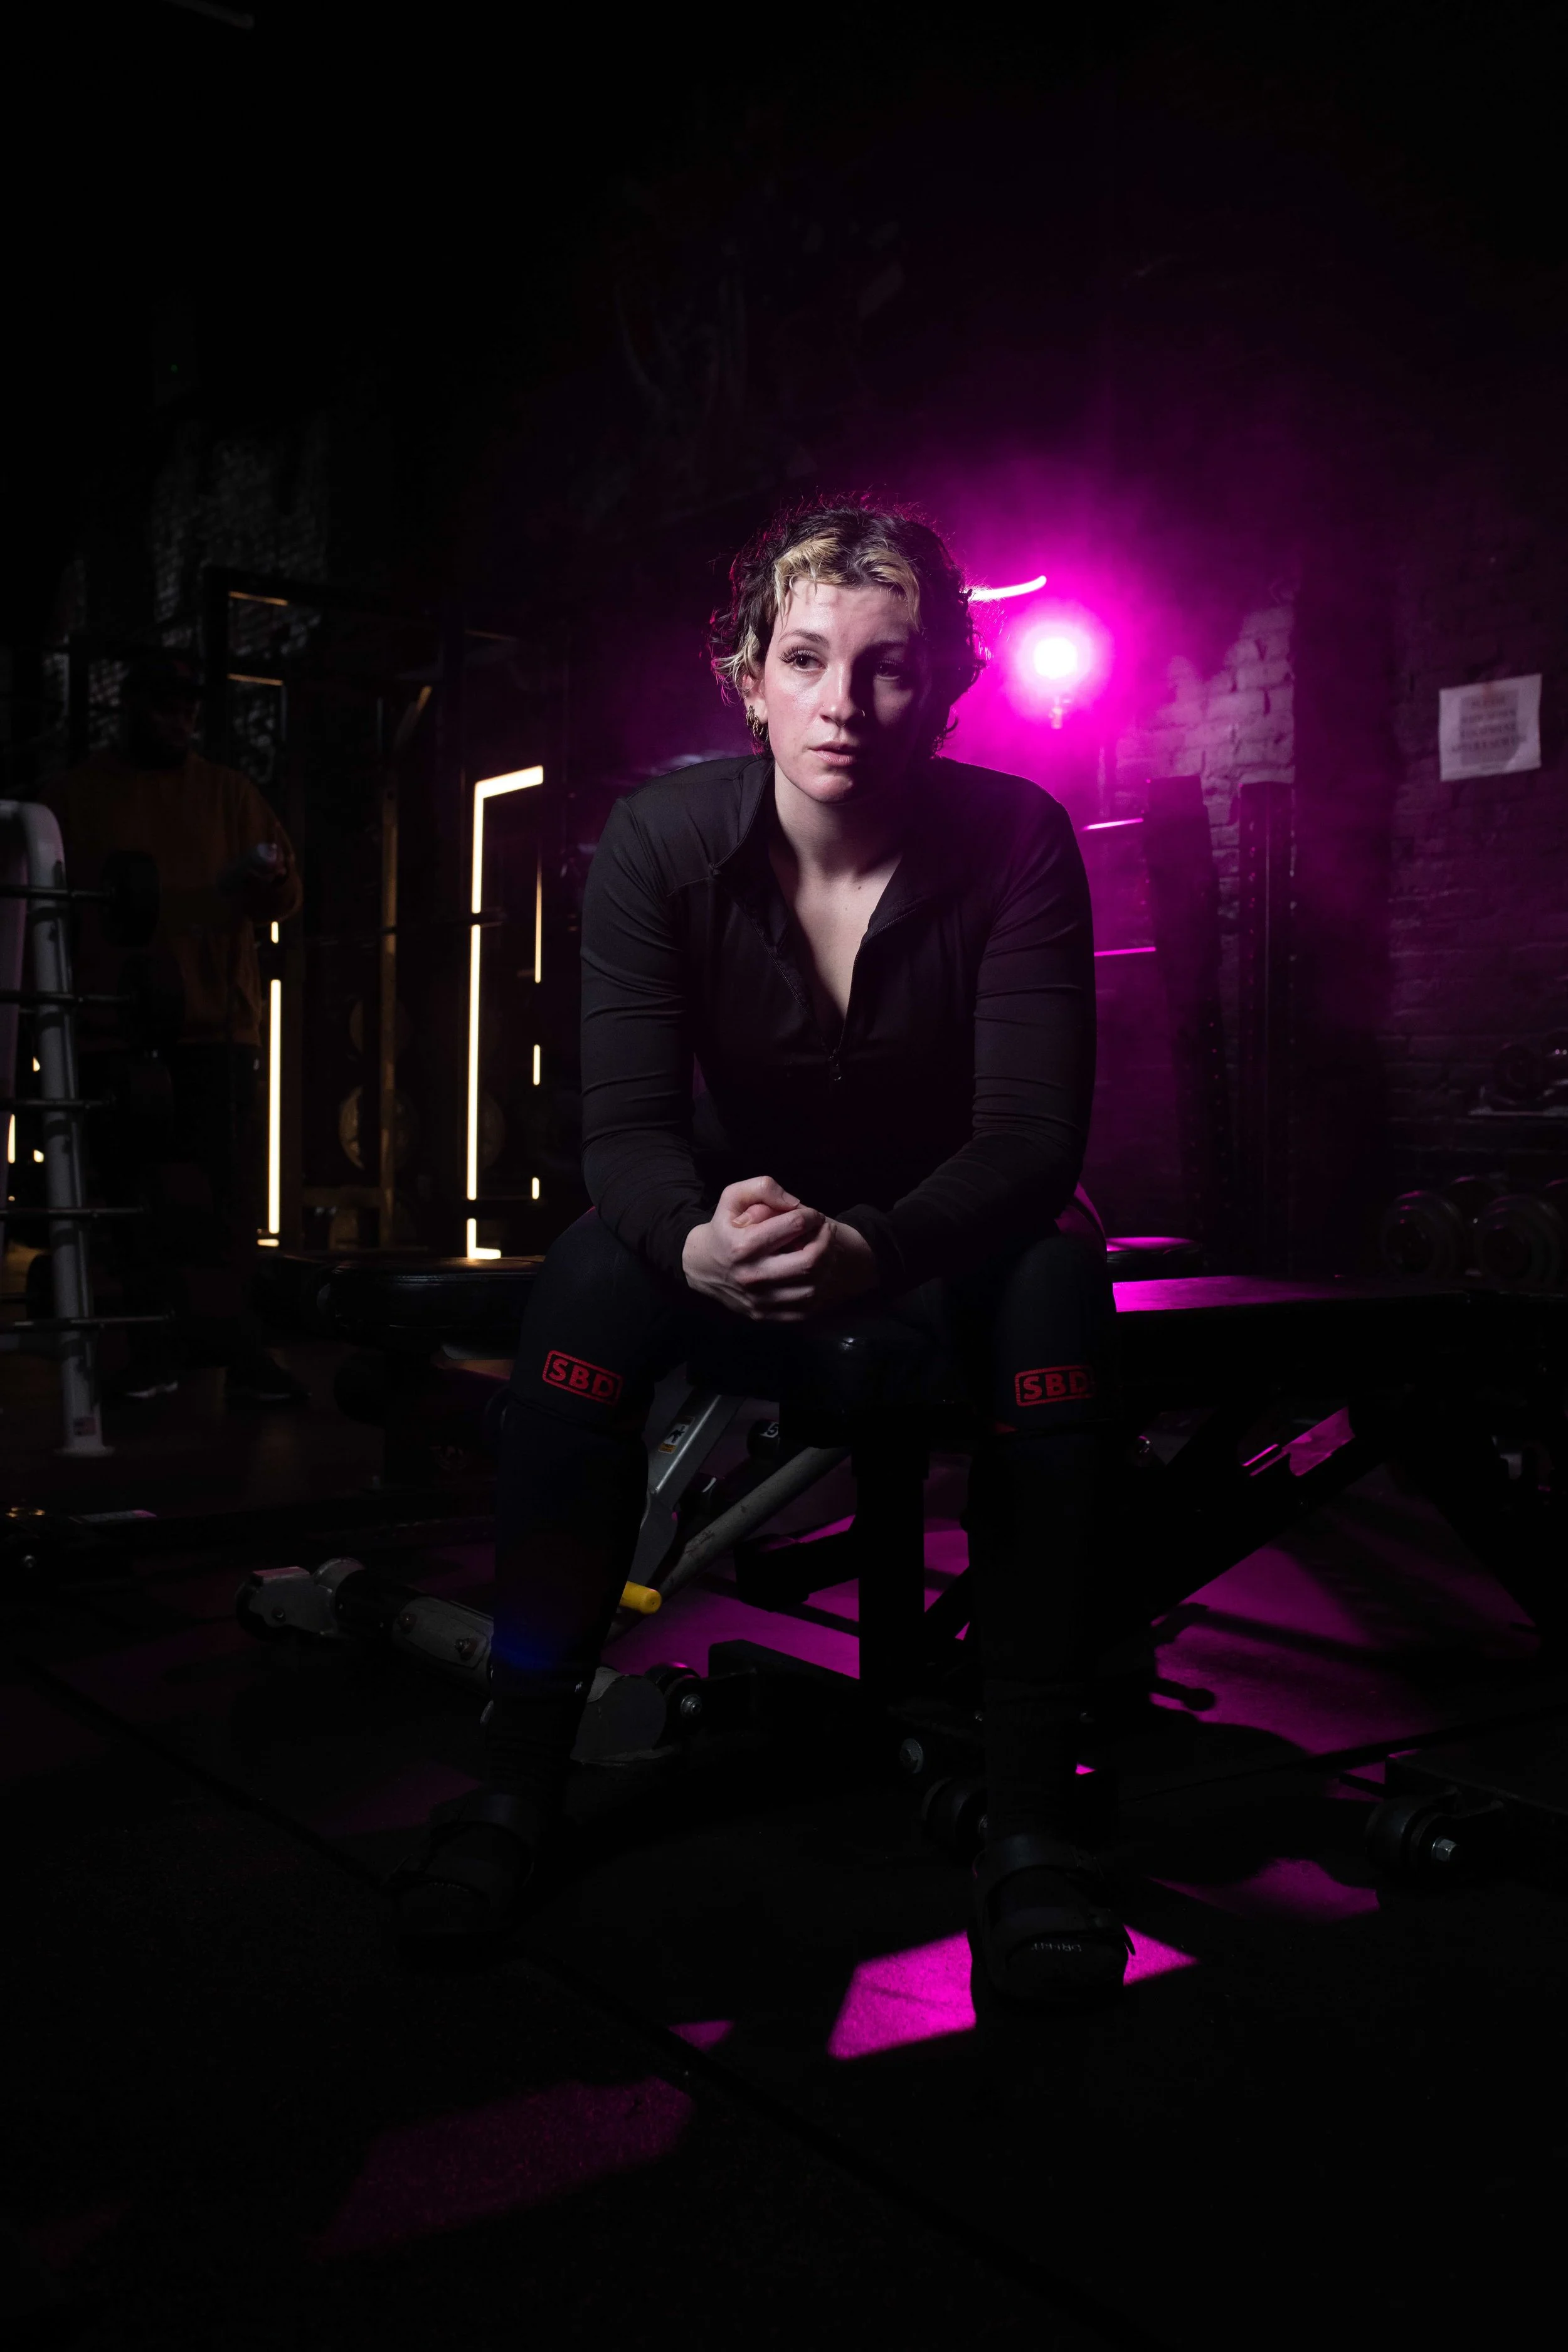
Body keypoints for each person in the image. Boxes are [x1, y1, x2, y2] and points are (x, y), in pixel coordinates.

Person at [400, 501, 1128, 2002]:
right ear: (747, 673)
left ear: (947, 683)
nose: (845, 706)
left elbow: (1030, 1142)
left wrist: (875, 1243)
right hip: (741, 1242)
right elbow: (623, 1127)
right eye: (807, 659)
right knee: (590, 1274)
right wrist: (692, 1234)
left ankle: (1035, 1818)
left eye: (888, 668)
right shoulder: (664, 842)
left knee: (1060, 1271)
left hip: (947, 1245)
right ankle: (517, 1779)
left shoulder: (1018, 837)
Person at [45, 650, 307, 1406]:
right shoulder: (74, 798)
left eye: (188, 710)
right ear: (129, 707)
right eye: (165, 707)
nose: (179, 722)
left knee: (223, 1209)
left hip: (212, 1031)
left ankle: (235, 1353)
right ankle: (146, 1350)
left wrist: (268, 879)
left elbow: (286, 898)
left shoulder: (227, 793)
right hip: (111, 1031)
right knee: (129, 1205)